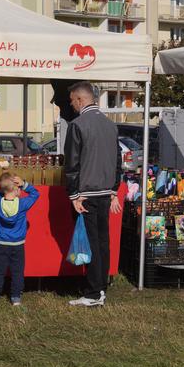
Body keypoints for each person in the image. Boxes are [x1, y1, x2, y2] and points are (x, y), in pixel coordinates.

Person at [63, 81, 122, 307]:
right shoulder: (110, 125)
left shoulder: (78, 125)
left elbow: (72, 164)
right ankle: (100, 287)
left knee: (91, 243)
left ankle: (93, 292)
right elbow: (118, 161)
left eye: (72, 101)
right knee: (102, 241)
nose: (72, 105)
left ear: (80, 99)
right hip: (105, 192)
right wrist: (114, 189)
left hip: (86, 193)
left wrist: (74, 195)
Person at [0, 173, 39, 306]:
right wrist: (24, 184)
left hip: (1, 244)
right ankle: (16, 297)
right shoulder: (22, 204)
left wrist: (2, 189)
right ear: (16, 190)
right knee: (17, 272)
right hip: (17, 245)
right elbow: (35, 194)